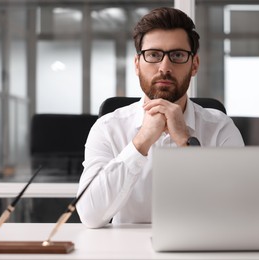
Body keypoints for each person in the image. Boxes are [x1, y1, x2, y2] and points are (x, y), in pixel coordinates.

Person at [76, 7, 244, 228]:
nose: (165, 67)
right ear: (137, 64)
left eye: (177, 55)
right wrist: (141, 142)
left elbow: (236, 210)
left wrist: (186, 142)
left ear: (194, 65)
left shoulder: (221, 128)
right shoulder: (108, 128)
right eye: (154, 55)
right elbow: (90, 215)